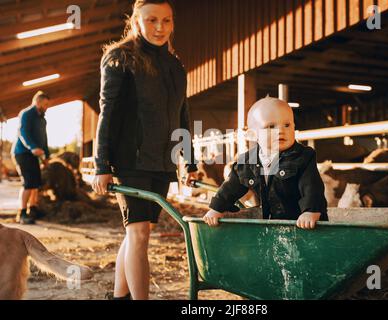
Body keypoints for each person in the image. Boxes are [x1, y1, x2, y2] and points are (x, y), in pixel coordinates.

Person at [92, 0, 197, 300]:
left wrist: (188, 162)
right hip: (129, 161)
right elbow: (107, 113)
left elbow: (183, 116)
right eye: (152, 20)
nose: (160, 27)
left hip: (161, 162)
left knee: (138, 232)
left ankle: (119, 296)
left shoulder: (175, 65)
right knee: (140, 235)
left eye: (167, 20)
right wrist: (102, 165)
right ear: (136, 21)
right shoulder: (120, 58)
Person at [203, 97, 328, 229]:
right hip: (271, 223)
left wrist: (311, 210)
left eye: (287, 125)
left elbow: (312, 186)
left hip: (302, 223)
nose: (281, 130)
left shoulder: (303, 156)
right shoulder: (248, 161)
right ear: (252, 134)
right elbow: (230, 187)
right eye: (271, 126)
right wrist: (217, 208)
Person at [12, 91, 50, 225]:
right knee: (28, 183)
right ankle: (21, 213)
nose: (46, 107)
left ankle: (32, 209)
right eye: (45, 104)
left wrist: (47, 156)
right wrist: (32, 147)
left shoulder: (42, 120)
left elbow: (44, 139)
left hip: (35, 154)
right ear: (38, 102)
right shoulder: (26, 114)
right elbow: (23, 132)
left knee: (36, 183)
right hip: (22, 153)